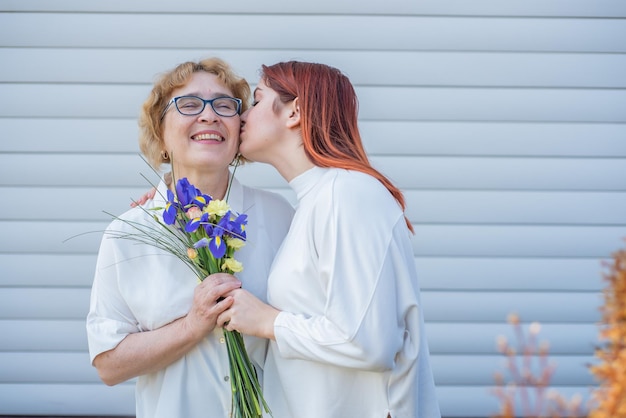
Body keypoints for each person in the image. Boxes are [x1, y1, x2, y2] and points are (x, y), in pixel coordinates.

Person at [217, 61, 442, 418]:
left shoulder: (348, 194)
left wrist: (268, 322)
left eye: (257, 101)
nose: (242, 116)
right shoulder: (318, 201)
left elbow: (368, 342)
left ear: (295, 111)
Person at [85, 57, 294, 418]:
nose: (210, 115)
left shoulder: (282, 217)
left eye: (225, 105)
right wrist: (192, 324)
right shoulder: (128, 233)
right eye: (189, 104)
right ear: (160, 133)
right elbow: (109, 364)